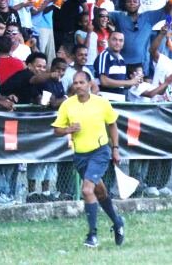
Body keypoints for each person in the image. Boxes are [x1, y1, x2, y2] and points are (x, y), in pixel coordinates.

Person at [52, 70, 126, 248]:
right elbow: (56, 130)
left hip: (100, 151)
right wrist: (68, 129)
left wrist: (115, 149)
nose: (78, 86)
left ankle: (92, 235)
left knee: (86, 190)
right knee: (98, 191)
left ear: (89, 84)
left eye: (81, 82)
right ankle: (118, 222)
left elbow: (113, 125)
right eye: (75, 83)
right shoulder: (67, 105)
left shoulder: (101, 103)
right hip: (80, 155)